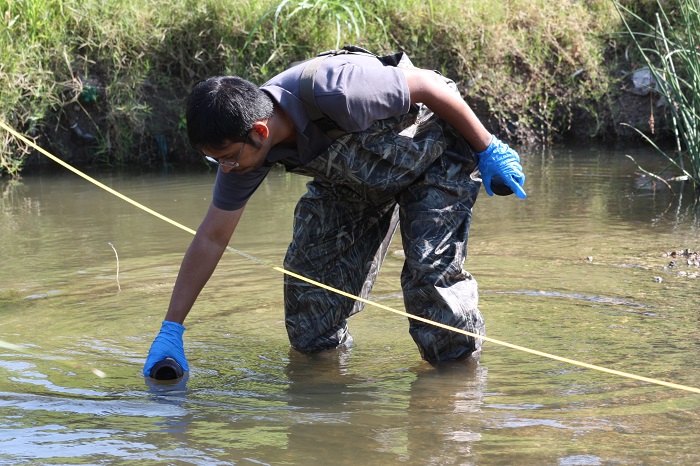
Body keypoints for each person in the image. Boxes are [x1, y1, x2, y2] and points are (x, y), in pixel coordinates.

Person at [143, 47, 526, 377]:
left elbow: (429, 85)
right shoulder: (246, 155)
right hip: (355, 184)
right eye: (215, 160)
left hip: (435, 160)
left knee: (430, 279)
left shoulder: (339, 90)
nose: (225, 168)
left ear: (260, 132)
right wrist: (171, 328)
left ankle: (454, 389)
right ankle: (328, 391)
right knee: (309, 301)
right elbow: (212, 236)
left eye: (226, 158)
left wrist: (487, 147)